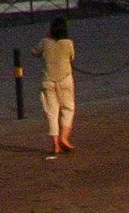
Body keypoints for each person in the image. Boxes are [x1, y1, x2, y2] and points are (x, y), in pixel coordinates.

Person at [36, 17, 77, 155]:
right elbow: (72, 57)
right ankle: (64, 137)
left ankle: (55, 144)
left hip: (48, 80)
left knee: (51, 112)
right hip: (65, 79)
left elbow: (34, 52)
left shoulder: (45, 42)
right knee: (67, 108)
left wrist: (46, 38)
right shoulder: (68, 43)